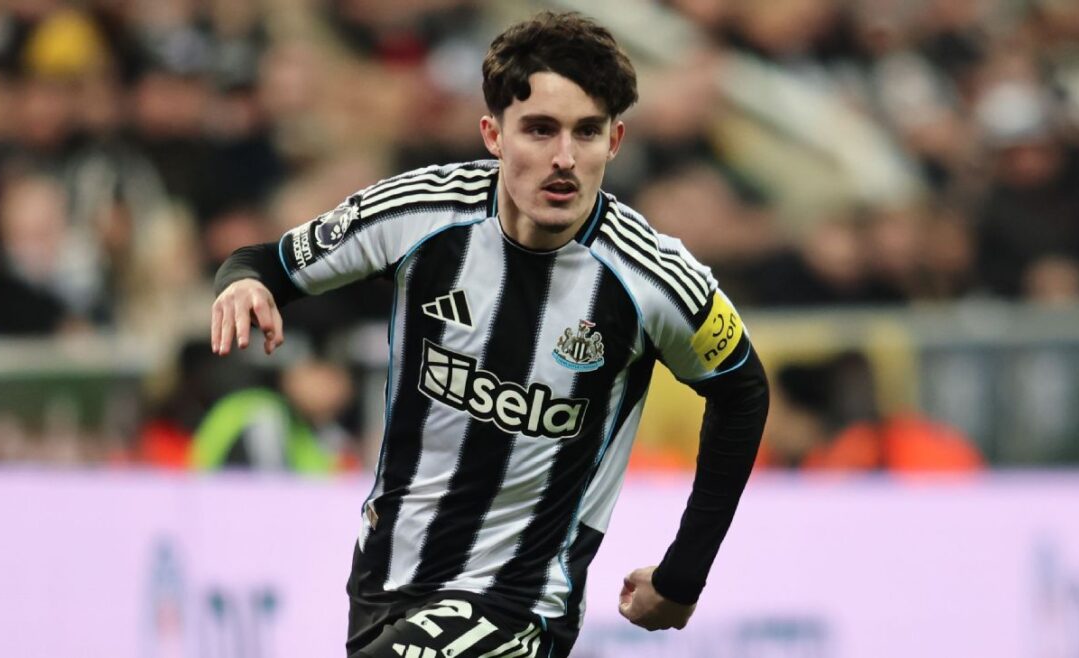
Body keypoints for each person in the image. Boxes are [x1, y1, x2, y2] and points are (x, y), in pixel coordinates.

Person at [210, 12, 769, 657]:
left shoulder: (652, 278)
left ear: (615, 141)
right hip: (387, 576)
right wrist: (244, 284)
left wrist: (683, 575)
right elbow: (268, 261)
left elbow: (742, 392)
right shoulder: (422, 213)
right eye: (540, 129)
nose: (565, 158)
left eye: (587, 132)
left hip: (518, 604)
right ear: (494, 135)